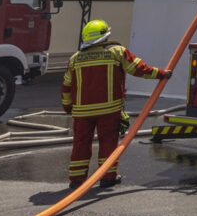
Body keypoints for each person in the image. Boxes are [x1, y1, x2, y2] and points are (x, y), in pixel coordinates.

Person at [61, 19, 170, 189]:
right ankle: (108, 177)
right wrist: (161, 74)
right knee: (108, 142)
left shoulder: (75, 58)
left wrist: (67, 107)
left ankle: (76, 180)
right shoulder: (117, 52)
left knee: (81, 143)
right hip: (109, 110)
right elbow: (139, 68)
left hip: (82, 112)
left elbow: (66, 86)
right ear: (105, 36)